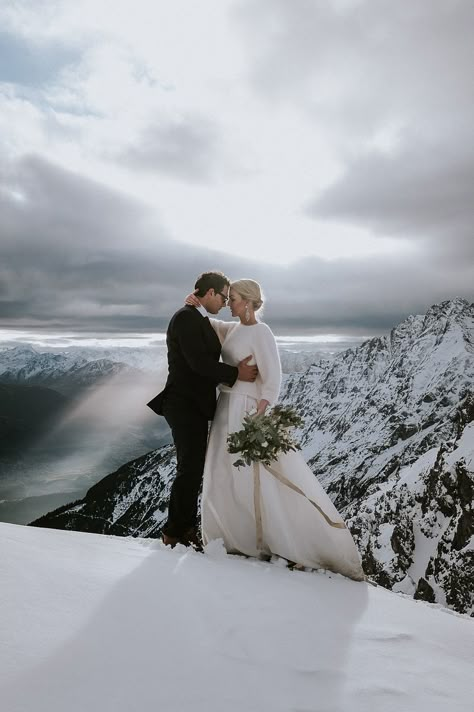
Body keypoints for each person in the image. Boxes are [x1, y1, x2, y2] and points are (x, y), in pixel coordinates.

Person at [185, 278, 364, 580]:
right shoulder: (236, 329)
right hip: (226, 405)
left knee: (249, 473)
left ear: (248, 301)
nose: (229, 302)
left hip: (245, 408)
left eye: (234, 298)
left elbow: (274, 375)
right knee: (221, 469)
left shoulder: (262, 332)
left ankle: (263, 537)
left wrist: (262, 407)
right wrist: (199, 307)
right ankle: (229, 536)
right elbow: (214, 328)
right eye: (228, 298)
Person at [147, 271, 258, 549]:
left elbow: (218, 332)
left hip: (191, 404)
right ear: (210, 293)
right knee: (190, 468)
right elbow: (198, 362)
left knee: (193, 467)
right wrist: (236, 374)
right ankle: (173, 533)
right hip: (183, 403)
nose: (224, 302)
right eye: (223, 296)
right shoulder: (186, 318)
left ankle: (182, 528)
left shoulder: (195, 317)